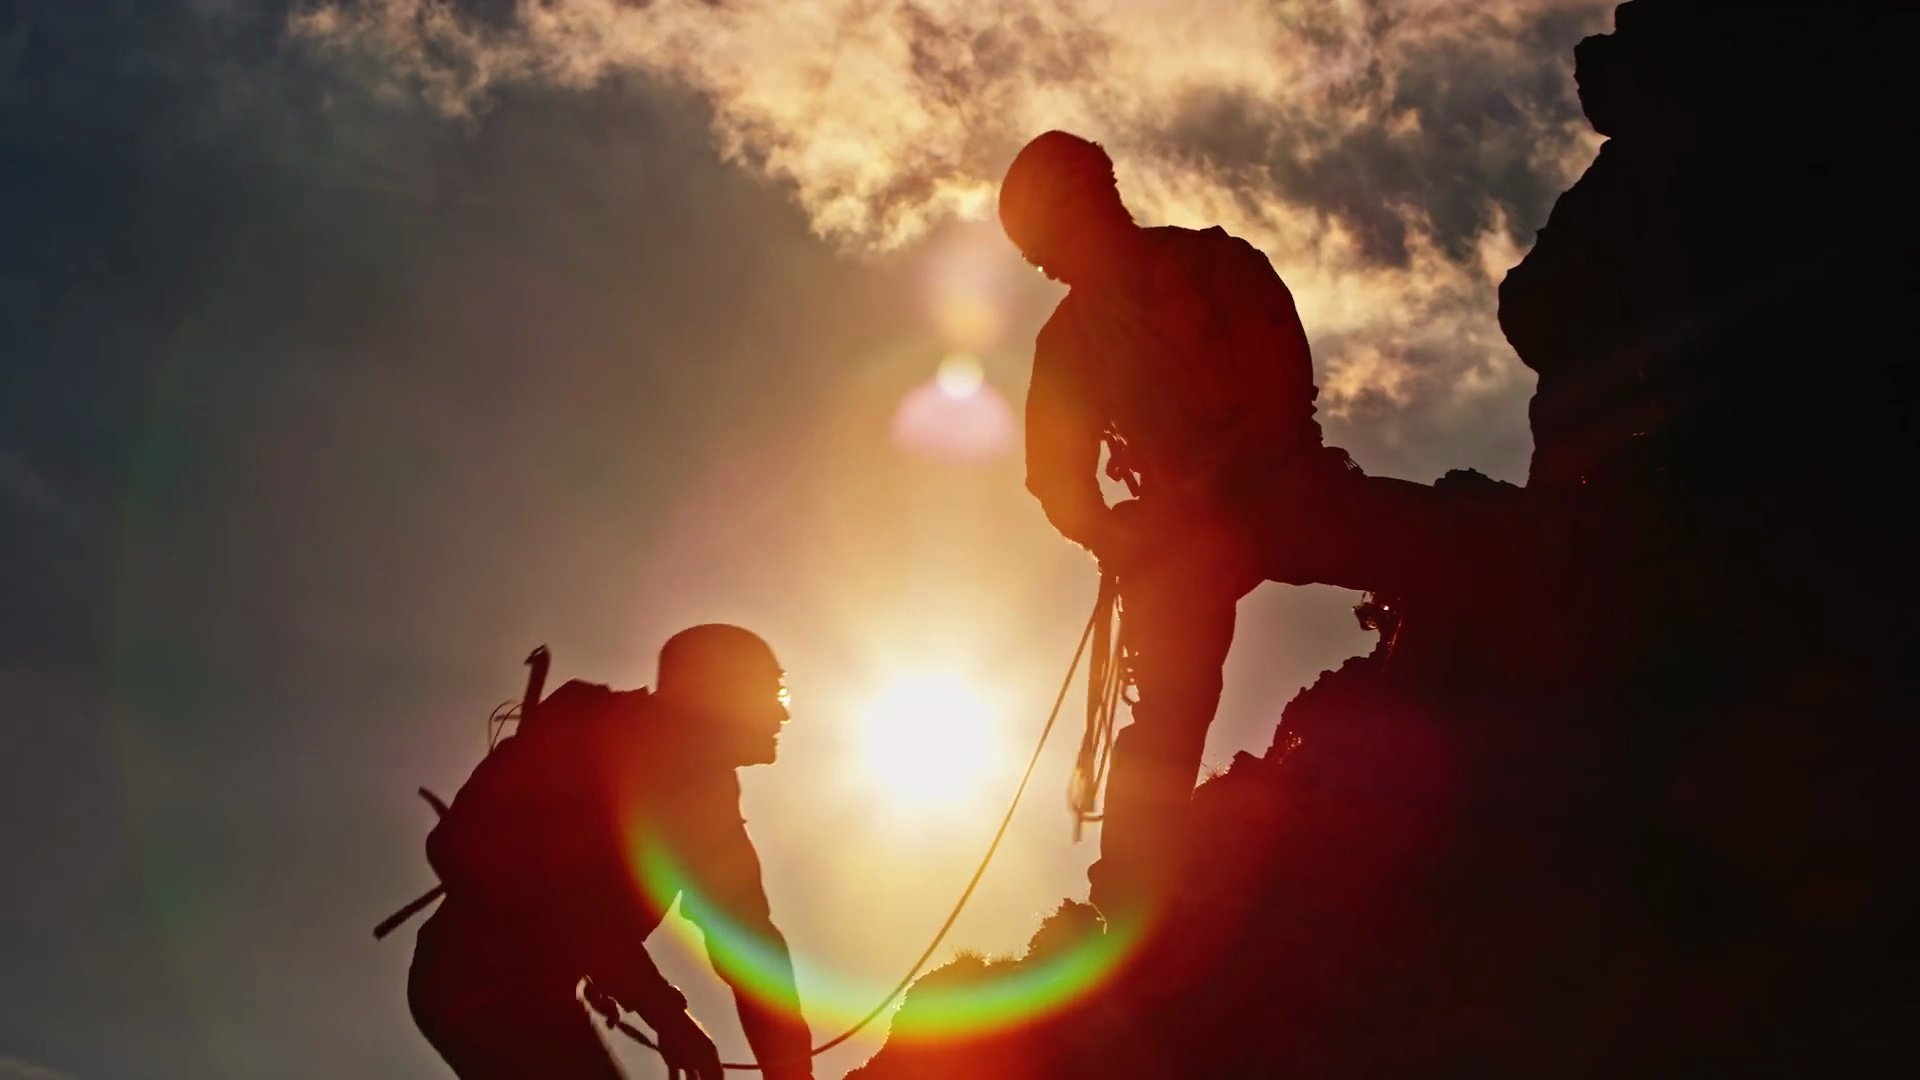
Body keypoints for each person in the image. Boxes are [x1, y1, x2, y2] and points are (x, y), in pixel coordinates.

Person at [998, 131, 1434, 929]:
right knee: (1167, 708)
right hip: (1185, 535)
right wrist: (1114, 533)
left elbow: (1281, 398)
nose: (1051, 265)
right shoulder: (1075, 340)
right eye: (1041, 252)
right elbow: (1053, 475)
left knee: (1422, 546)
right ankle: (1135, 891)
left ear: (1096, 199)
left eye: (1047, 242)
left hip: (1274, 492)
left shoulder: (1212, 267)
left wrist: (1189, 500)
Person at [406, 625, 814, 1080]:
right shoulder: (619, 748)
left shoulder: (705, 800)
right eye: (770, 690)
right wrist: (667, 1014)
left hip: (517, 992)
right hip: (472, 982)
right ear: (722, 692)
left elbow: (749, 948)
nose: (782, 713)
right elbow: (573, 904)